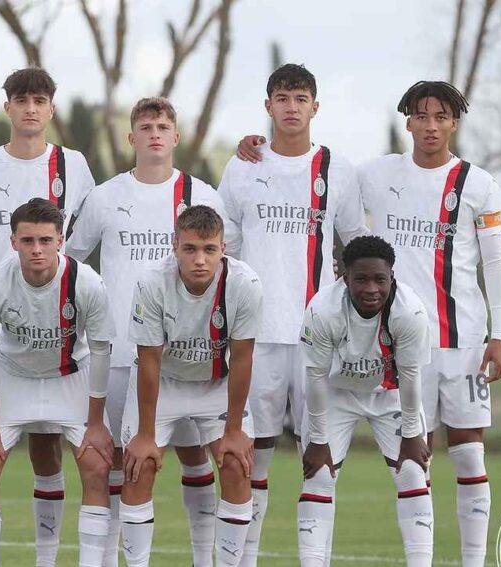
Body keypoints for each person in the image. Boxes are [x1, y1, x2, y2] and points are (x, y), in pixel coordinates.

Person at [66, 96, 239, 566]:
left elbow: (227, 267)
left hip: (191, 357)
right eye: (146, 127)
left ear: (176, 136)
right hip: (121, 352)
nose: (155, 134)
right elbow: (71, 264)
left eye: (163, 127)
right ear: (132, 137)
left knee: (196, 455)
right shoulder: (106, 196)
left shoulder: (203, 196)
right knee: (122, 460)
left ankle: (205, 557)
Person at [0, 67, 96, 566]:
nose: (30, 108)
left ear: (51, 108)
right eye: (21, 100)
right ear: (7, 106)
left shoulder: (74, 166)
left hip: (56, 333)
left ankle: (46, 559)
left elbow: (87, 240)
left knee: (48, 449)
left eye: (39, 100)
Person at [216, 63, 368, 564]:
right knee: (248, 459)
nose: (291, 107)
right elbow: (223, 250)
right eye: (282, 98)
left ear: (315, 107)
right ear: (268, 106)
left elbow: (357, 247)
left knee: (319, 459)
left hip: (315, 338)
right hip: (254, 338)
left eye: (301, 99)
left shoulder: (337, 170)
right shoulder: (242, 166)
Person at [358, 81, 501, 567]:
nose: (430, 126)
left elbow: (496, 264)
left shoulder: (478, 185)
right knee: (411, 460)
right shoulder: (378, 175)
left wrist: (500, 335)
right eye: (421, 116)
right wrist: (261, 150)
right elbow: (323, 183)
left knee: (469, 454)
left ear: (454, 123)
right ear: (408, 122)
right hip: (402, 348)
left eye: (440, 116)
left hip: (464, 343)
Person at [0, 198, 116, 567]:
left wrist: (96, 422)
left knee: (97, 465)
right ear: (13, 242)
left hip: (71, 376)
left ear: (60, 241)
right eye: (28, 240)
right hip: (14, 376)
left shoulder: (87, 283)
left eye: (46, 240)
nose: (37, 249)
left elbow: (101, 351)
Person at [120, 205, 262, 567]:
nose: (200, 260)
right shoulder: (152, 283)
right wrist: (145, 435)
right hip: (163, 384)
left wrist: (234, 430)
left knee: (236, 464)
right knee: (138, 467)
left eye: (209, 249)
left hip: (216, 385)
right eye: (190, 249)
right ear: (175, 247)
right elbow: (149, 360)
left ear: (223, 249)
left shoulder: (244, 284)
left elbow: (242, 358)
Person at [298, 235, 433, 567]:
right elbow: (315, 377)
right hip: (337, 393)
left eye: (380, 279)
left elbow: (411, 375)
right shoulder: (322, 309)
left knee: (413, 472)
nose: (371, 288)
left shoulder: (410, 311)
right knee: (319, 476)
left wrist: (412, 434)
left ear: (392, 276)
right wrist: (318, 440)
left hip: (390, 394)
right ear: (345, 278)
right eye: (361, 279)